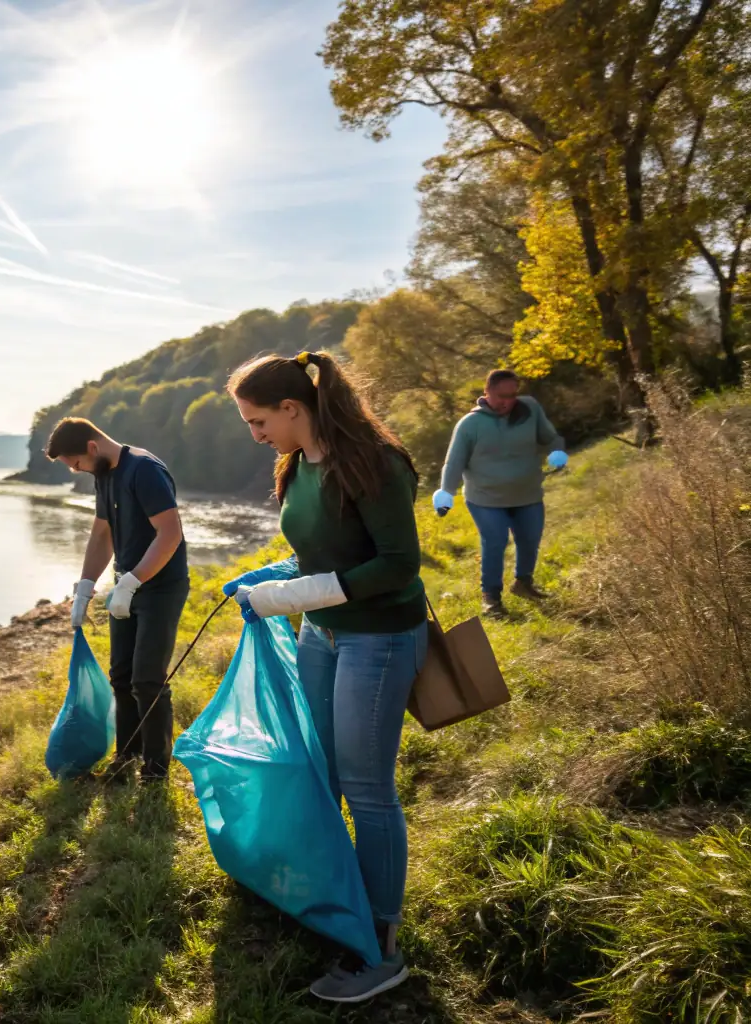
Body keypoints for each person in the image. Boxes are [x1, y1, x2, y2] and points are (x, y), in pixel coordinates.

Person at [223, 350, 426, 1004]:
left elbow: (396, 564)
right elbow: (319, 550)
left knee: (367, 790)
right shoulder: (295, 466)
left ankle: (382, 950)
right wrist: (275, 578)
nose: (255, 436)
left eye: (258, 422)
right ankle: (336, 905)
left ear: (293, 408)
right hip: (322, 635)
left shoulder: (373, 462)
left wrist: (298, 594)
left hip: (379, 638)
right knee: (320, 773)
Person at [47, 417, 188, 784]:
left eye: (76, 463)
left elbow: (170, 534)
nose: (76, 470)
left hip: (159, 587)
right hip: (126, 584)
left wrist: (133, 582)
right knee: (121, 676)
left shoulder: (145, 471)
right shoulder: (104, 474)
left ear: (92, 448)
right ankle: (127, 756)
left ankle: (155, 772)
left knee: (147, 680)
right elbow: (102, 533)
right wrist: (85, 587)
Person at [433, 368, 567, 618]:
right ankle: (491, 598)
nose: (507, 402)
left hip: (527, 493)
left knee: (530, 539)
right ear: (487, 392)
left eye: (512, 395)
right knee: (495, 541)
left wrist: (556, 451)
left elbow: (550, 437)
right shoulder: (470, 424)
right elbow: (454, 463)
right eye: (500, 396)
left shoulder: (529, 409)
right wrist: (446, 493)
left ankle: (523, 584)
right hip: (485, 498)